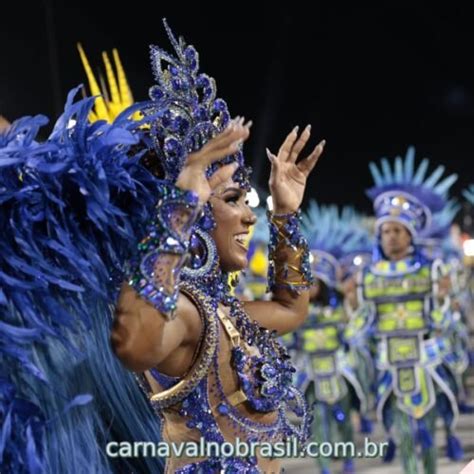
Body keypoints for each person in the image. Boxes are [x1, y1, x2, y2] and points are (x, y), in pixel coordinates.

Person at [110, 19, 325, 473]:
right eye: (232, 200)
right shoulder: (183, 311)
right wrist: (178, 209)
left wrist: (284, 214)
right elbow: (134, 343)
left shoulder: (217, 310)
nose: (250, 215)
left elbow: (291, 309)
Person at [353, 147, 462, 473]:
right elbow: (362, 323)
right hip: (388, 363)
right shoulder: (369, 277)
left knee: (426, 430)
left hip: (425, 362)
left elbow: (442, 323)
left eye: (397, 230)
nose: (390, 236)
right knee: (401, 432)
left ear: (411, 235)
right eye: (385, 230)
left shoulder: (430, 272)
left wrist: (444, 301)